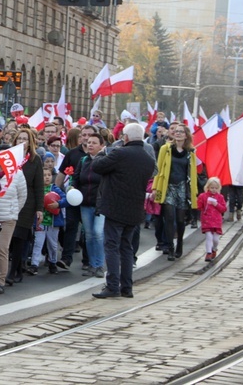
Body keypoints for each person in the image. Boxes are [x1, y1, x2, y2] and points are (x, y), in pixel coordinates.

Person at [91, 123, 155, 299]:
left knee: (111, 246)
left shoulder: (120, 153)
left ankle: (112, 285)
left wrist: (101, 154)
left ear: (125, 137)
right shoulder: (148, 159)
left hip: (116, 207)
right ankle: (127, 287)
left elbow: (97, 167)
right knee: (126, 247)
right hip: (134, 209)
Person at [152, 123, 198, 261]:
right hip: (168, 187)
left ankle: (180, 243)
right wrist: (155, 187)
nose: (178, 133)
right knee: (169, 218)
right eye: (176, 131)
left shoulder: (190, 152)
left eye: (181, 132)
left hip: (183, 188)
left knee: (180, 220)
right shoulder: (165, 149)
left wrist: (193, 192)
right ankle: (170, 247)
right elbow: (158, 170)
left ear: (186, 135)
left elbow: (193, 173)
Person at [0, 153, 27, 294]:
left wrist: (13, 211)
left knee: (2, 248)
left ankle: (0, 280)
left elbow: (22, 195)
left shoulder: (17, 173)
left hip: (7, 218)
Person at [7, 128, 44, 283]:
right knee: (8, 238)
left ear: (30, 143)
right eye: (19, 138)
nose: (22, 141)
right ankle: (15, 267)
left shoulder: (35, 160)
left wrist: (39, 209)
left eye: (25, 139)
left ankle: (13, 271)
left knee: (19, 237)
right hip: (9, 200)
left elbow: (39, 186)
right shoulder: (8, 157)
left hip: (27, 203)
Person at [71, 131, 105, 278]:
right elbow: (76, 179)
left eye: (94, 143)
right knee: (89, 235)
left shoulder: (106, 161)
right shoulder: (83, 160)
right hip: (85, 203)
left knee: (98, 233)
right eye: (89, 142)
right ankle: (92, 264)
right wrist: (72, 188)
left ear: (101, 146)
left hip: (101, 204)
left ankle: (99, 264)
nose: (90, 145)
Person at [28, 169, 67, 275]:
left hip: (53, 223)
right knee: (38, 243)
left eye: (49, 175)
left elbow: (66, 199)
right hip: (40, 222)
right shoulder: (38, 189)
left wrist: (58, 204)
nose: (47, 177)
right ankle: (34, 265)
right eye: (44, 175)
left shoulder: (55, 189)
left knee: (53, 244)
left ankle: (52, 263)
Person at [198, 177, 227, 261]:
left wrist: (216, 204)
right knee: (209, 237)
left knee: (215, 239)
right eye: (212, 188)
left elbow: (223, 209)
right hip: (207, 220)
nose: (214, 190)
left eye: (216, 188)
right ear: (208, 187)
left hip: (216, 221)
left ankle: (214, 249)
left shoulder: (220, 197)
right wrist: (200, 201)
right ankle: (208, 253)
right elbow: (199, 207)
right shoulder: (203, 196)